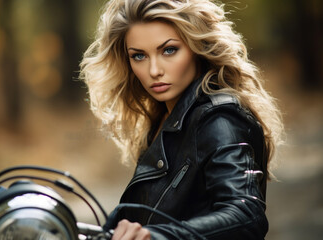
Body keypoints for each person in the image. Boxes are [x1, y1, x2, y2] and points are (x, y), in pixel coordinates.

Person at [79, 0, 284, 239]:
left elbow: (246, 215)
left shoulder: (221, 119)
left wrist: (156, 237)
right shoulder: (165, 118)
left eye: (169, 50)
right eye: (139, 56)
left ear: (197, 46)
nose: (154, 70)